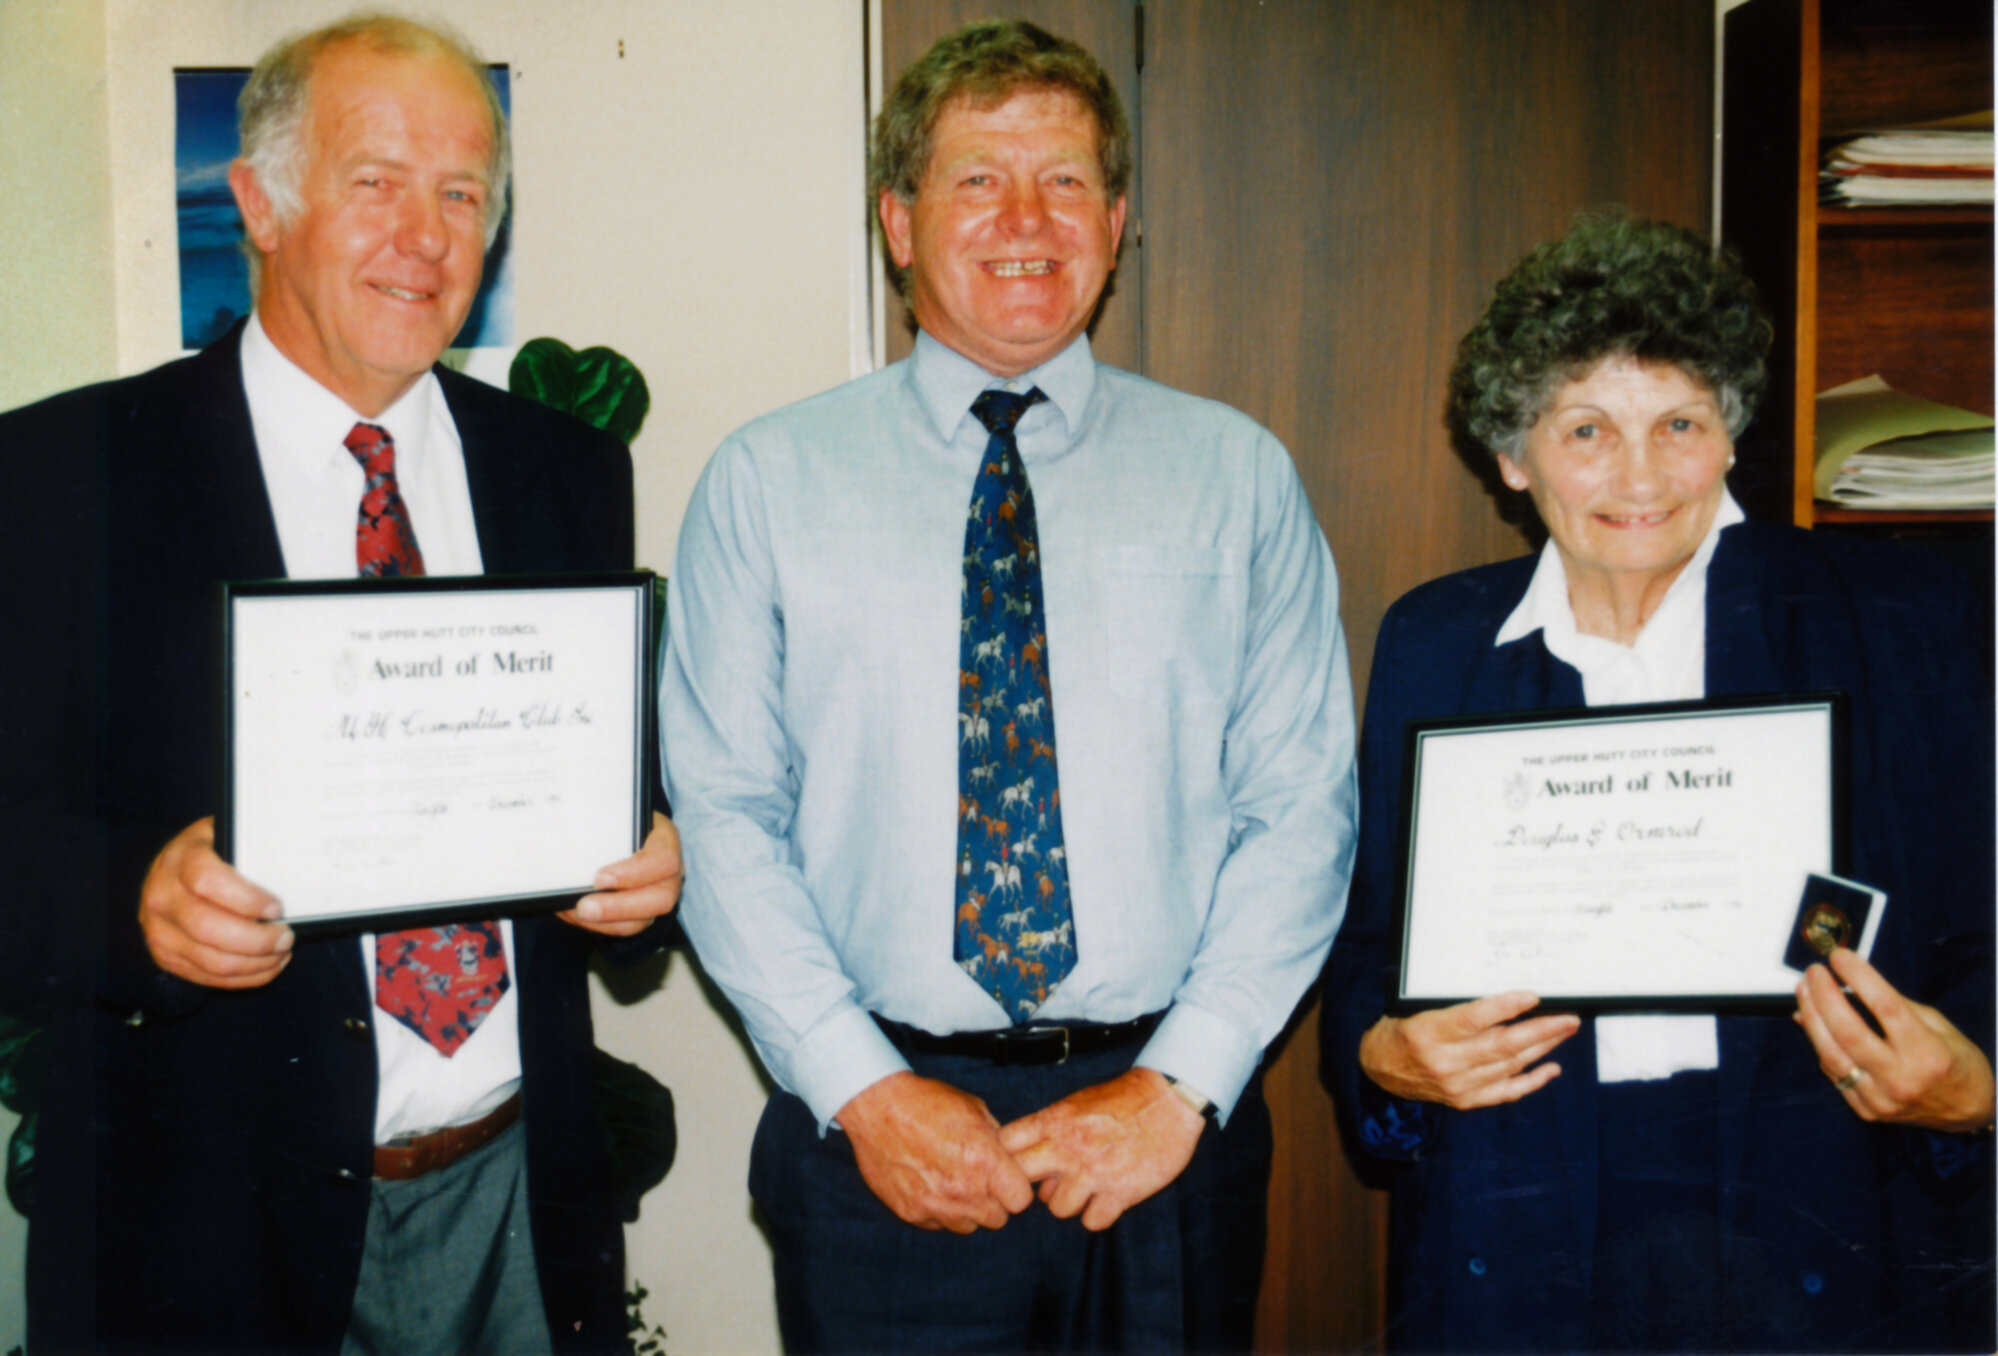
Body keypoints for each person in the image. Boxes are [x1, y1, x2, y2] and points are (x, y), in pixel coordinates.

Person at [660, 19, 1355, 1352]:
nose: (1025, 217)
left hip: (1165, 1135)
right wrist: (864, 1092)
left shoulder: (1237, 476)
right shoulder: (765, 482)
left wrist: (1179, 1084)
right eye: (978, 176)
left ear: (1118, 219)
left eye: (1067, 179)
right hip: (877, 1136)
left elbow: (1302, 805)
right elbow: (724, 811)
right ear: (900, 222)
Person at [0, 13, 680, 1352]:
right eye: (374, 183)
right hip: (200, 1235)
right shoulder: (61, 474)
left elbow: (609, 802)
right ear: (258, 201)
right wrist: (130, 901)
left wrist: (650, 879)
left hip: (518, 1204)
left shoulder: (562, 473)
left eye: (460, 193)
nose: (422, 236)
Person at [1319, 210, 1994, 1353]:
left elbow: (1981, 926)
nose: (1639, 476)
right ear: (1514, 455)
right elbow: (1369, 948)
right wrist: (1382, 1058)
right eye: (1587, 429)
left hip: (1813, 1195)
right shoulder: (1436, 641)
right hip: (1524, 1199)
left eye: (1678, 421)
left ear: (1729, 435)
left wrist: (1976, 1087)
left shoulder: (1896, 618)